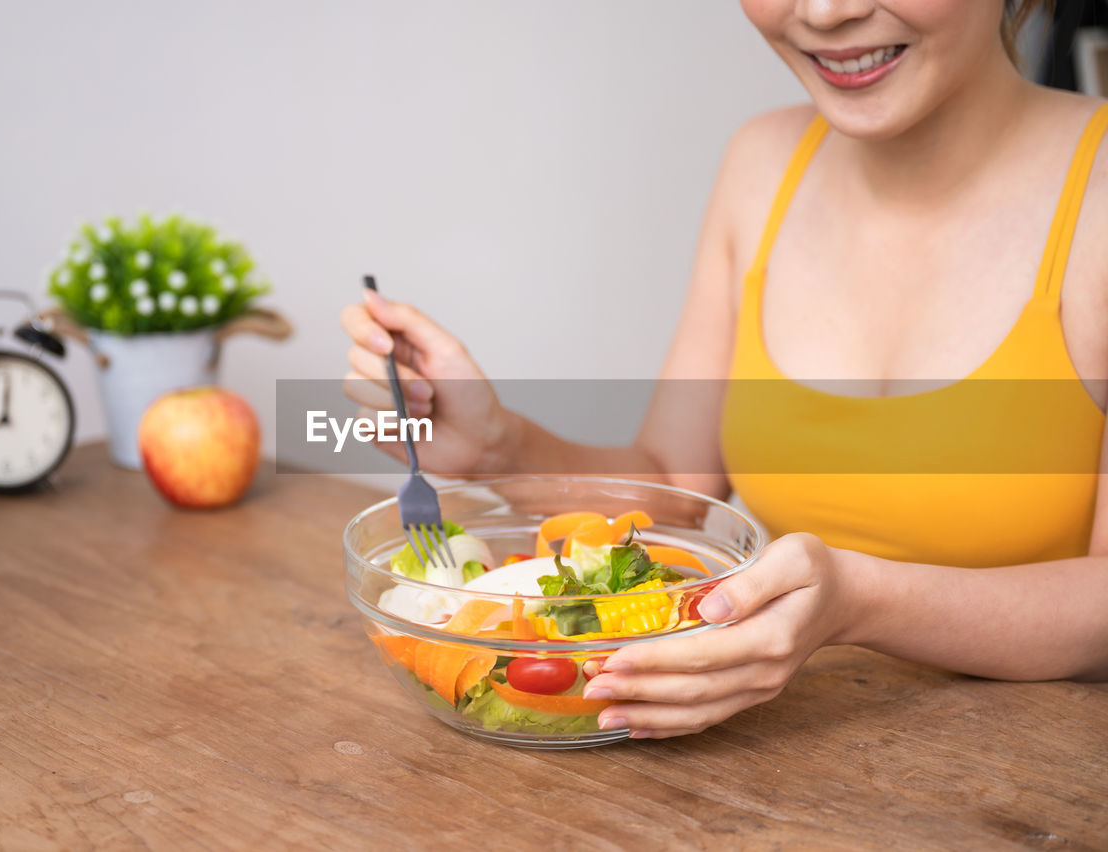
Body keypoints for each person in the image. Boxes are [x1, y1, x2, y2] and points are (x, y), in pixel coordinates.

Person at [340, 0, 1108, 739]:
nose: (826, 9)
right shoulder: (762, 163)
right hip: (780, 749)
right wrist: (496, 448)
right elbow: (676, 488)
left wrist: (861, 602)